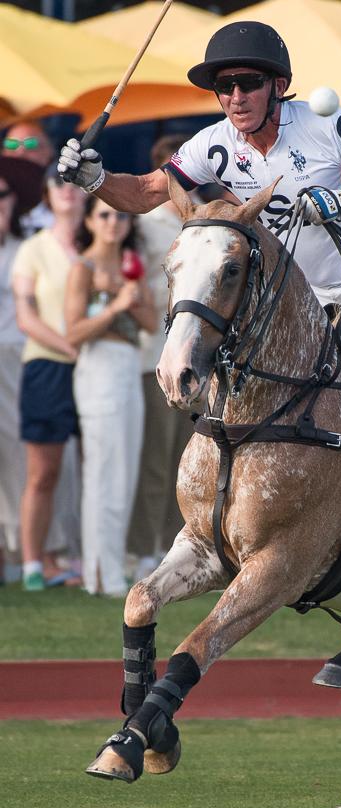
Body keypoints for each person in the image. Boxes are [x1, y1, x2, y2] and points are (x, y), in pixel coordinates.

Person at [58, 20, 341, 548]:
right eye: (224, 86)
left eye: (248, 83)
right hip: (299, 288)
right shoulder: (213, 144)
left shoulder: (328, 125)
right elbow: (143, 193)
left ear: (278, 85)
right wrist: (95, 178)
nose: (236, 97)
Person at [65, 197, 156, 596]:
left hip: (129, 365)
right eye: (103, 215)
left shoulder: (131, 265)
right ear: (89, 221)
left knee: (125, 471)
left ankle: (113, 568)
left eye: (120, 215)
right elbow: (73, 333)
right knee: (104, 472)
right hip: (98, 367)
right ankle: (100, 574)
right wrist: (114, 306)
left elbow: (150, 322)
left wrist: (123, 291)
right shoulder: (83, 267)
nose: (113, 222)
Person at [12, 166, 86, 590]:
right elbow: (26, 318)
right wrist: (72, 348)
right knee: (43, 473)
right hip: (48, 366)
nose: (67, 190)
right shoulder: (33, 249)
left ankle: (90, 560)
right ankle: (33, 566)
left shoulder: (101, 240)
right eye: (58, 183)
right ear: (46, 193)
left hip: (96, 368)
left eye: (74, 182)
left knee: (97, 469)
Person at [127, 135, 196, 581]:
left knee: (184, 463)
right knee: (154, 460)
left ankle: (176, 548)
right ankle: (140, 550)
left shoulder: (200, 218)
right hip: (154, 356)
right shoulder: (145, 225)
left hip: (195, 360)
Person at [0, 155, 43, 582]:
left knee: (17, 454)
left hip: (17, 354)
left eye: (2, 195)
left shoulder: (26, 246)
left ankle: (15, 551)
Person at [3, 121, 56, 237]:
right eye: (11, 144)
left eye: (30, 144)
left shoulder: (61, 195)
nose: (20, 151)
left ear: (49, 152)